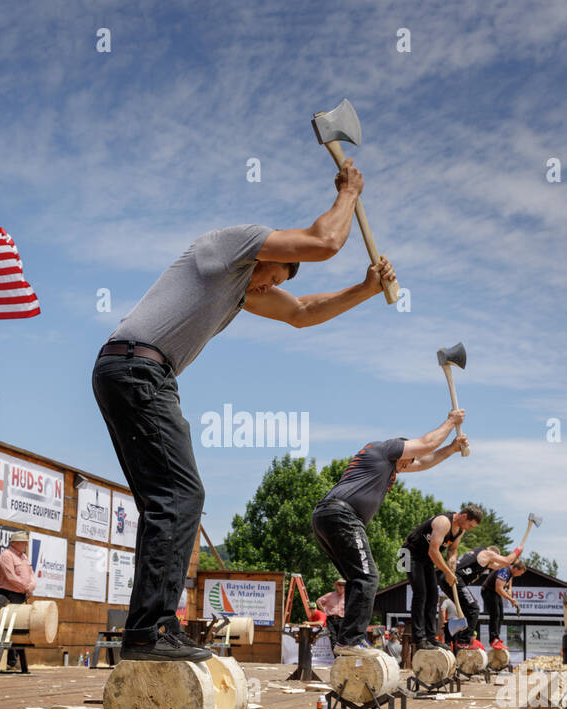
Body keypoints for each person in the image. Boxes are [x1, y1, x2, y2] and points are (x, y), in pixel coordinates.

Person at [93, 158, 397, 662]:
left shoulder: (240, 290)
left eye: (271, 285)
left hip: (134, 372)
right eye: (267, 278)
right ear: (262, 254)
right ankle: (150, 630)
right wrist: (349, 192)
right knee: (181, 495)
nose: (263, 290)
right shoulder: (229, 246)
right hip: (137, 369)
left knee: (168, 500)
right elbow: (324, 242)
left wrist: (364, 289)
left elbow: (302, 313)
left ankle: (148, 629)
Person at [310, 412, 469, 650]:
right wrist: (451, 422)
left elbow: (425, 461)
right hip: (343, 515)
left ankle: (347, 640)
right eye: (407, 460)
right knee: (368, 577)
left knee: (358, 579)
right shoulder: (385, 449)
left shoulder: (386, 465)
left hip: (326, 516)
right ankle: (350, 641)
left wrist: (452, 448)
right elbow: (426, 444)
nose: (408, 466)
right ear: (402, 453)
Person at [404, 505, 495, 651]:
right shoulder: (443, 522)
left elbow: (452, 550)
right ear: (464, 516)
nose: (470, 529)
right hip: (410, 554)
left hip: (426, 559)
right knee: (421, 593)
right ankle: (419, 638)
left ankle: (431, 637)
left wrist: (452, 564)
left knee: (433, 595)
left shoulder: (460, 530)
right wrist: (447, 572)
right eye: (470, 525)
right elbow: (434, 551)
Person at [0, 529, 37, 669]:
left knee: (20, 626)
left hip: (21, 595)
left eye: (26, 542)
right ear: (15, 543)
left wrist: (31, 586)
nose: (26, 545)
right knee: (10, 627)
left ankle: (14, 661)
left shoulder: (24, 557)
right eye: (23, 542)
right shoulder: (6, 556)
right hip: (9, 595)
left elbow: (32, 575)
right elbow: (10, 577)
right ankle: (7, 661)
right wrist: (26, 587)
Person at [482, 563, 527, 647]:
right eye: (520, 573)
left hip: (495, 593)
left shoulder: (511, 571)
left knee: (501, 615)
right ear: (516, 569)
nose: (520, 575)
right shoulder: (504, 571)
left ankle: (497, 638)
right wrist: (511, 599)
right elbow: (498, 589)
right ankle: (493, 639)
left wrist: (510, 588)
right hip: (489, 591)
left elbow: (511, 578)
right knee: (495, 615)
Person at [317, 579, 346, 643]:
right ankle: (336, 653)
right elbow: (318, 601)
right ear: (336, 586)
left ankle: (341, 652)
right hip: (331, 619)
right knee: (333, 637)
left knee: (342, 637)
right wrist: (324, 610)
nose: (341, 586)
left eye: (344, 585)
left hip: (342, 619)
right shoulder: (330, 595)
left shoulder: (348, 596)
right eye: (340, 584)